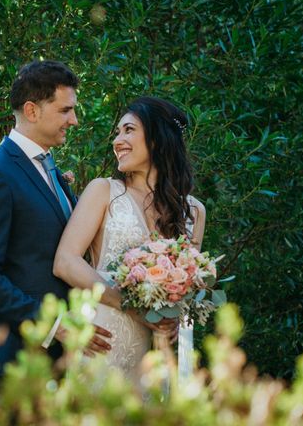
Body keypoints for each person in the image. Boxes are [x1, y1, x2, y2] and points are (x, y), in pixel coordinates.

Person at [0, 60, 112, 377]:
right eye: (65, 110)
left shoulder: (50, 168)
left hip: (68, 360)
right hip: (21, 356)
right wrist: (53, 324)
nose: (73, 120)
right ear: (32, 111)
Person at [53, 96, 206, 385]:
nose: (117, 140)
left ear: (158, 140)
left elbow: (188, 290)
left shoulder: (194, 212)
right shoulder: (103, 191)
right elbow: (65, 262)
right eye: (118, 132)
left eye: (129, 130)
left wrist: (173, 317)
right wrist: (133, 308)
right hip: (100, 341)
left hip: (151, 358)